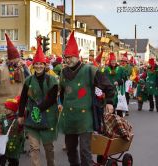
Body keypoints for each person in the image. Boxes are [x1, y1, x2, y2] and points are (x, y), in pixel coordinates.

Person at [58, 31, 115, 166]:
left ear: (78, 57)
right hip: (69, 117)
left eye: (71, 56)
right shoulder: (63, 73)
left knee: (85, 150)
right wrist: (60, 103)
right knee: (70, 149)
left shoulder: (90, 70)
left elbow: (108, 85)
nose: (68, 59)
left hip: (85, 118)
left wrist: (110, 102)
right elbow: (62, 92)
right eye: (66, 57)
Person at [18, 37, 58, 166]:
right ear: (33, 65)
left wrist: (38, 108)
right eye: (36, 64)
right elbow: (23, 98)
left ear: (45, 65)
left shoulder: (51, 80)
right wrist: (20, 115)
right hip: (32, 120)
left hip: (48, 117)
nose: (39, 66)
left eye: (41, 64)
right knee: (34, 148)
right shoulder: (28, 81)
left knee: (48, 148)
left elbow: (52, 99)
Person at [0, 33, 30, 115]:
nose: (17, 61)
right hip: (3, 107)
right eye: (15, 59)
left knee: (19, 127)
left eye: (18, 59)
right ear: (9, 59)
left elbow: (30, 80)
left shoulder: (22, 68)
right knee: (5, 127)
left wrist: (26, 67)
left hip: (19, 106)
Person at [0, 96, 24, 166]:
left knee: (13, 160)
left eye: (7, 108)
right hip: (3, 143)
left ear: (13, 110)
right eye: (5, 107)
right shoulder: (3, 118)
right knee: (0, 160)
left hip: (13, 143)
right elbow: (0, 127)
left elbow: (21, 130)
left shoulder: (18, 120)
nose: (5, 109)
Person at [103, 52, 126, 117]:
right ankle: (112, 122)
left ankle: (120, 122)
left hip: (118, 91)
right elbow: (103, 78)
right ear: (110, 62)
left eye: (114, 61)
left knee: (119, 108)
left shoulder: (120, 69)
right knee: (110, 109)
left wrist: (118, 82)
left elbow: (124, 78)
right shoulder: (106, 69)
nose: (113, 62)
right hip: (109, 92)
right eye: (112, 61)